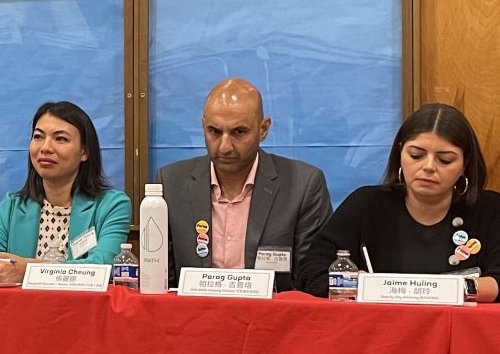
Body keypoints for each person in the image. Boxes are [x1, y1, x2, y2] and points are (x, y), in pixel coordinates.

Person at [296, 103, 499, 302]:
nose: (428, 167)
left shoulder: (491, 210)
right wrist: (358, 285)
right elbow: (312, 270)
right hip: (378, 329)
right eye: (416, 155)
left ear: (466, 163)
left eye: (444, 160)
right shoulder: (366, 204)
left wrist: (438, 290)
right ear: (400, 154)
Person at [154, 77, 332, 290]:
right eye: (215, 132)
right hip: (194, 317)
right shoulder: (171, 182)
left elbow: (309, 280)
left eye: (239, 132)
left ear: (263, 129)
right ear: (203, 126)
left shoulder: (303, 185)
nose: (225, 147)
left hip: (272, 318)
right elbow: (163, 283)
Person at [0, 101, 131, 284]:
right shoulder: (13, 205)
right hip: (20, 309)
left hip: (83, 309)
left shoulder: (112, 205)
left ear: (84, 151)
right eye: (38, 137)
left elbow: (103, 266)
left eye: (60, 139)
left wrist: (27, 271)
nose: (45, 147)